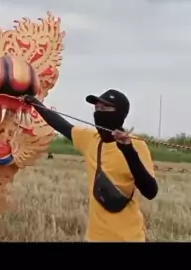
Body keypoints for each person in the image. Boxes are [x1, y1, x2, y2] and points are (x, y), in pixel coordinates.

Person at [29, 89, 158, 243]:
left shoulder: (137, 145)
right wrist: (34, 102)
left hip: (129, 237)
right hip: (95, 237)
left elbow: (150, 191)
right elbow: (60, 124)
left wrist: (127, 149)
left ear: (120, 113)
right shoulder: (90, 139)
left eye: (105, 108)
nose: (98, 112)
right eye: (97, 108)